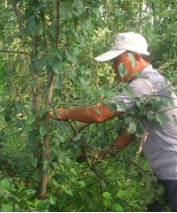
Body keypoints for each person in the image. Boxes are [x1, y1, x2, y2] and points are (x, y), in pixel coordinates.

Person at [52, 32, 177, 211]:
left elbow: (100, 114)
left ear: (135, 57)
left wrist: (66, 113)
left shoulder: (144, 84)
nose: (113, 67)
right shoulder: (154, 82)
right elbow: (130, 133)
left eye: (117, 61)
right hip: (166, 173)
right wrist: (99, 156)